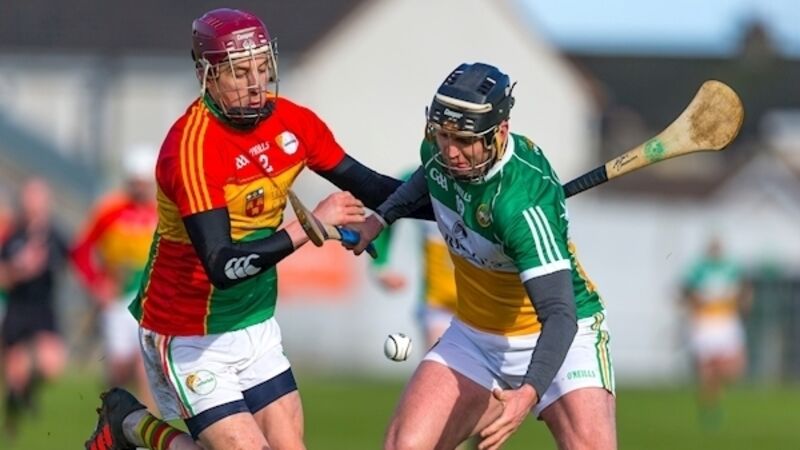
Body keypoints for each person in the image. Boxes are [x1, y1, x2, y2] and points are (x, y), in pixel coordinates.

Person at [84, 8, 430, 450]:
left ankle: (127, 422)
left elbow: (374, 187)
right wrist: (309, 227)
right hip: (189, 331)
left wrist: (457, 210)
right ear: (206, 77)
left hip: (256, 324)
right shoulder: (191, 149)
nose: (256, 84)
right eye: (239, 72)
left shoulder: (294, 122)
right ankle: (131, 424)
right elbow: (222, 266)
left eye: (262, 67)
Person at [347, 62, 617, 450]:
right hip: (475, 338)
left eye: (463, 141)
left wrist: (527, 394)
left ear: (500, 133)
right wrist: (380, 218)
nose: (450, 152)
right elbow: (427, 176)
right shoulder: (439, 152)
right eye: (443, 136)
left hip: (560, 336)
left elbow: (560, 314)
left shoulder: (521, 206)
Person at [71, 145, 159, 411]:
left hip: (151, 299)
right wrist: (96, 283)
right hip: (118, 299)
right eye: (135, 183)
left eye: (144, 184)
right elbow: (81, 250)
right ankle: (113, 416)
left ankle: (150, 423)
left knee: (146, 365)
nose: (140, 189)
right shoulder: (110, 210)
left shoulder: (163, 211)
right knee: (118, 368)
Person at [0, 178, 70, 437]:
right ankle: (12, 422)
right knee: (14, 370)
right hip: (17, 309)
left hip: (43, 310)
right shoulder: (12, 236)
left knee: (52, 365)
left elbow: (77, 258)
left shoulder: (56, 236)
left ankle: (27, 391)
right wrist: (20, 270)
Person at [370, 169, 458, 349]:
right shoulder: (424, 178)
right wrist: (380, 265)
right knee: (441, 361)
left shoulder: (496, 181)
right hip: (438, 303)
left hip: (488, 308)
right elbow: (385, 210)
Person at [681, 236, 751, 427]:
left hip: (727, 320)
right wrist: (694, 308)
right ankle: (710, 408)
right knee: (707, 368)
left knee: (735, 367)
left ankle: (716, 387)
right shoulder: (698, 269)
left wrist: (744, 303)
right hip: (706, 322)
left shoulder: (731, 268)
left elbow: (744, 289)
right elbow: (687, 292)